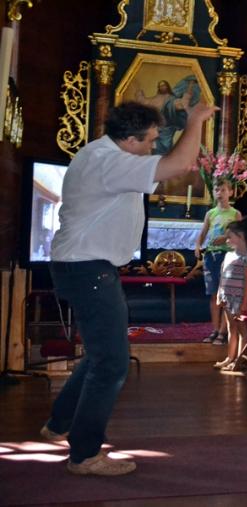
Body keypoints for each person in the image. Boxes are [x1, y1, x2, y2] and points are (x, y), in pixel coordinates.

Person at [41, 100, 218, 475]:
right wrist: (195, 121)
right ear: (130, 140)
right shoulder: (108, 161)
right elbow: (177, 165)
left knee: (99, 355)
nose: (153, 147)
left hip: (83, 267)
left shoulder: (102, 154)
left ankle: (59, 423)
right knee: (112, 364)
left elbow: (168, 165)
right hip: (88, 269)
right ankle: (85, 455)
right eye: (150, 140)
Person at [195, 179, 241, 345]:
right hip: (211, 256)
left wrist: (226, 237)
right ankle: (215, 329)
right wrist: (198, 245)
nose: (219, 193)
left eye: (223, 190)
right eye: (216, 190)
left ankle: (223, 331)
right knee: (214, 294)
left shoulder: (235, 214)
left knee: (225, 295)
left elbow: (239, 236)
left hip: (227, 256)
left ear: (230, 192)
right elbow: (203, 232)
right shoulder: (211, 213)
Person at [214, 218, 247, 371]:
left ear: (240, 237)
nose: (227, 240)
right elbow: (222, 276)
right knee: (231, 328)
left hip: (238, 299)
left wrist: (244, 302)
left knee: (242, 329)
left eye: (229, 237)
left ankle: (239, 359)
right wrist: (219, 294)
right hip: (227, 297)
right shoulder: (228, 255)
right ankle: (230, 357)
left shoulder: (246, 259)